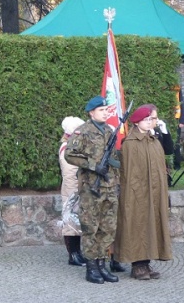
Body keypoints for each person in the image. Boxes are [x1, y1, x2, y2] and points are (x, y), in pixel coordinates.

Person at [64, 96, 120, 284]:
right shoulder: (83, 132)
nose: (106, 112)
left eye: (106, 109)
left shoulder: (109, 130)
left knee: (108, 227)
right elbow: (70, 154)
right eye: (102, 110)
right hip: (91, 187)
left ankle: (102, 265)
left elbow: (114, 158)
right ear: (91, 112)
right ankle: (91, 267)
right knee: (91, 227)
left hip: (109, 186)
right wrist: (93, 165)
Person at [114, 104, 173, 280]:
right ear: (138, 121)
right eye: (148, 119)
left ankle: (146, 262)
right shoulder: (131, 143)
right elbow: (129, 173)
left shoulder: (154, 141)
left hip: (154, 192)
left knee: (151, 224)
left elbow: (168, 154)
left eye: (153, 119)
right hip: (137, 193)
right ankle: (137, 265)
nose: (151, 122)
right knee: (137, 224)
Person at [59, 116, 86, 266]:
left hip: (77, 187)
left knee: (77, 222)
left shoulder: (72, 146)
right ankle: (73, 254)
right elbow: (72, 171)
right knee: (71, 223)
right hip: (72, 189)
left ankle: (78, 253)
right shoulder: (67, 148)